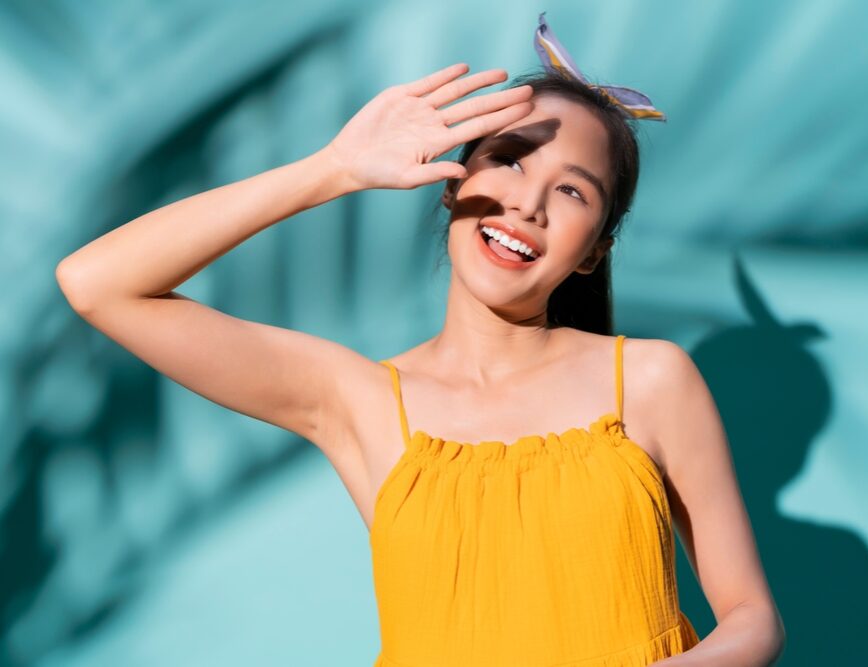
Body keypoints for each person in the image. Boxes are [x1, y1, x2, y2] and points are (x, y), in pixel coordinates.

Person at [56, 54, 784, 665]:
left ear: (594, 249)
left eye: (570, 190)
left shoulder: (651, 379)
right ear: (453, 184)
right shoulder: (360, 400)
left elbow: (751, 619)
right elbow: (97, 284)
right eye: (508, 161)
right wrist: (334, 169)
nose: (527, 204)